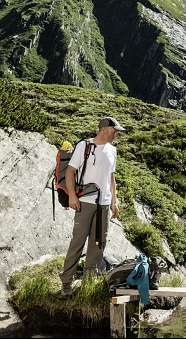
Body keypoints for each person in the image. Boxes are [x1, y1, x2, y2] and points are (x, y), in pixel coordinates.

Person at [59, 117, 124, 296]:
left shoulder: (113, 151)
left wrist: (114, 202)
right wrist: (72, 195)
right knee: (78, 242)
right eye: (114, 131)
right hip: (85, 202)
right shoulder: (85, 146)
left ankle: (89, 283)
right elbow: (70, 171)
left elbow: (111, 177)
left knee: (98, 244)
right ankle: (66, 283)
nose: (116, 134)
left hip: (103, 204)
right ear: (104, 129)